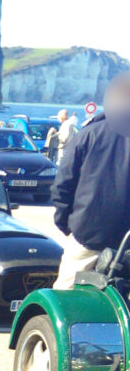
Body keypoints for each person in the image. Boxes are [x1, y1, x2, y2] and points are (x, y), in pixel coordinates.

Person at [50, 107, 130, 288]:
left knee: (66, 296)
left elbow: (62, 185)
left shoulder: (90, 133)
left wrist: (69, 226)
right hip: (125, 241)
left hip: (87, 233)